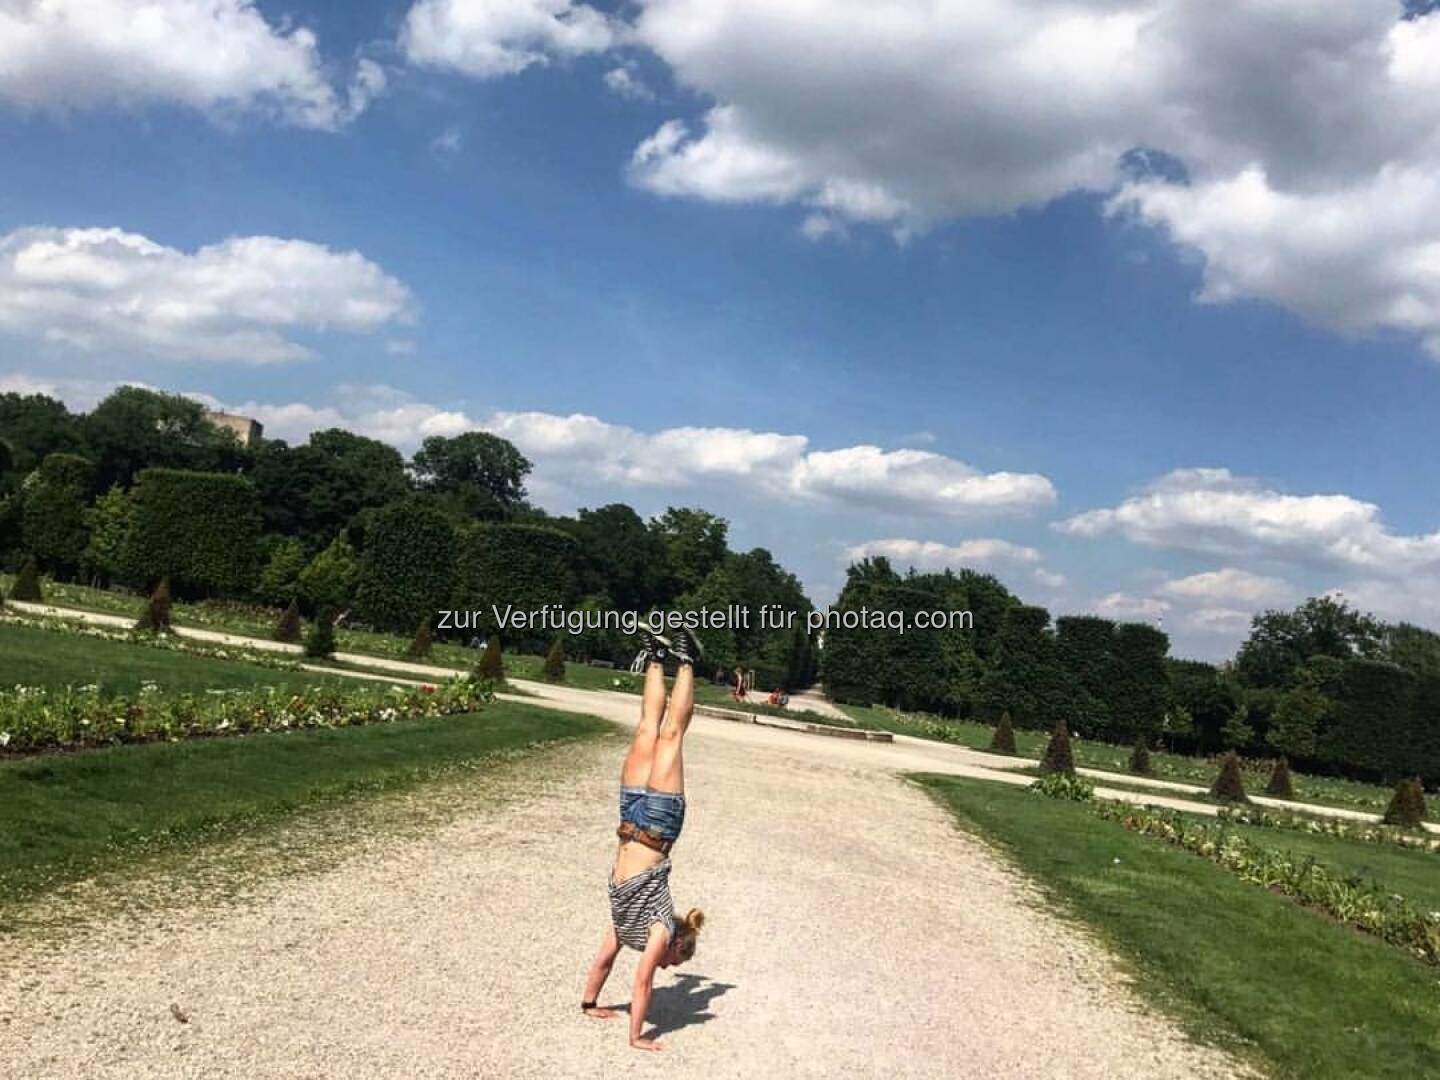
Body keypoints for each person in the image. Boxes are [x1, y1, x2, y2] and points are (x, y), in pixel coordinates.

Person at [580, 627, 707, 1052]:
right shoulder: (657, 928)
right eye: (675, 961)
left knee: (646, 730)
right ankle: (688, 660)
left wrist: (589, 1002)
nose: (666, 965)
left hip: (629, 819)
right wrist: (636, 1037)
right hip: (658, 824)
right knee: (671, 734)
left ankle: (655, 656)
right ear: (676, 944)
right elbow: (642, 980)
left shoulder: (625, 927)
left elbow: (603, 960)